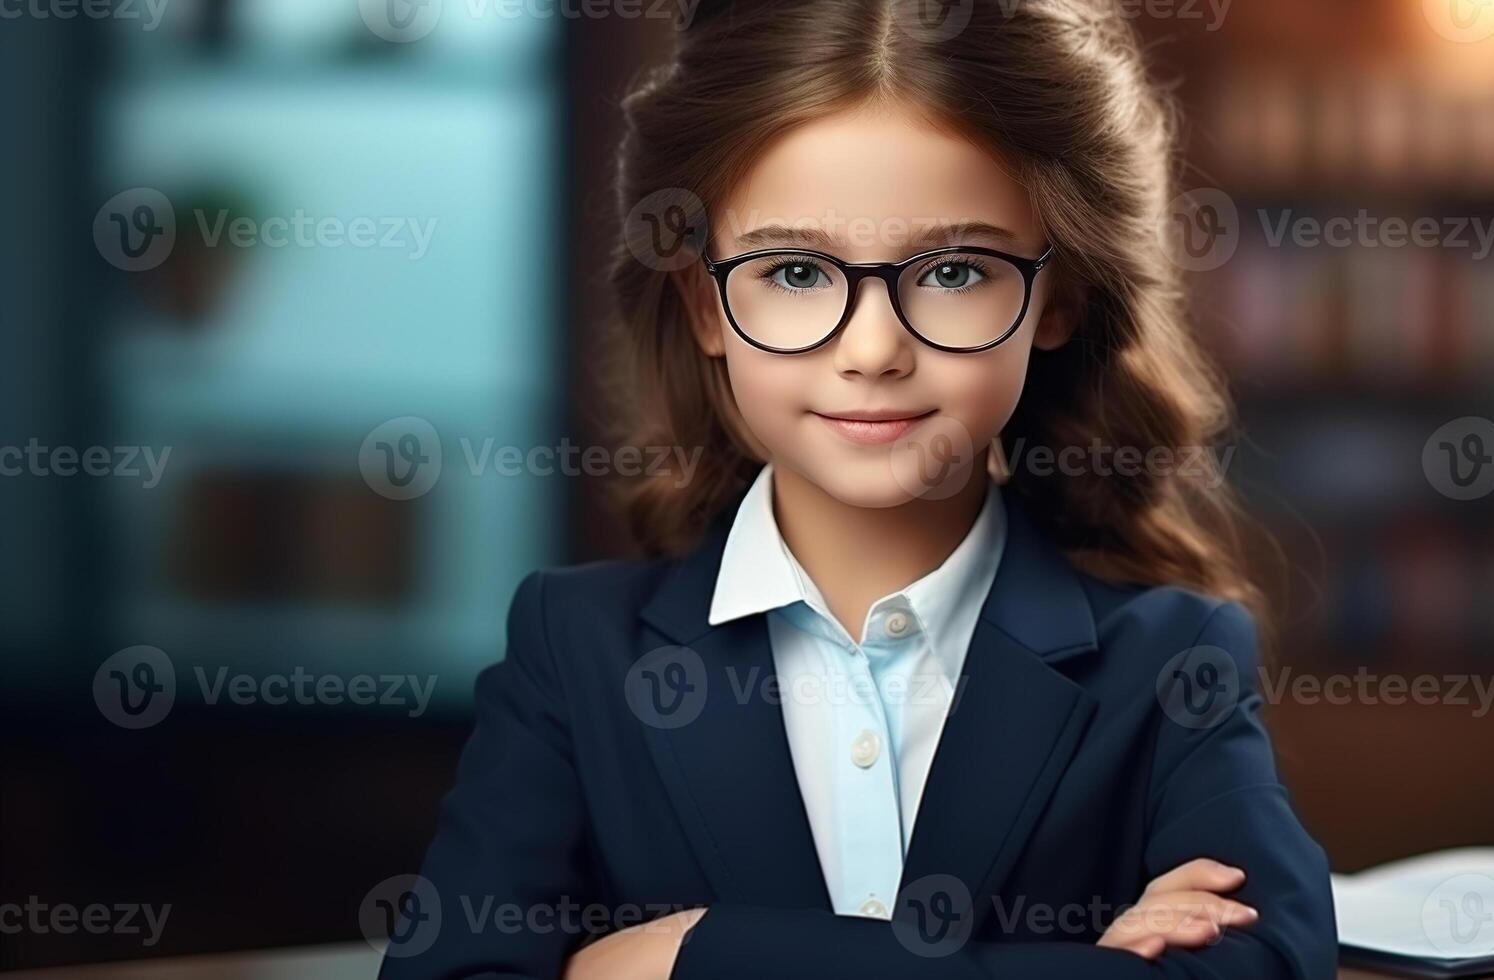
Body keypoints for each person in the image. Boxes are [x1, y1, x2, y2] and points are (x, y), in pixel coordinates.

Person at [381, 0, 1336, 976]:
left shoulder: (1170, 662)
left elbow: (1263, 966)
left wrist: (695, 958)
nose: (873, 348)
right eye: (795, 270)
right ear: (706, 305)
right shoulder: (574, 650)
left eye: (955, 270)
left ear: (1058, 300)